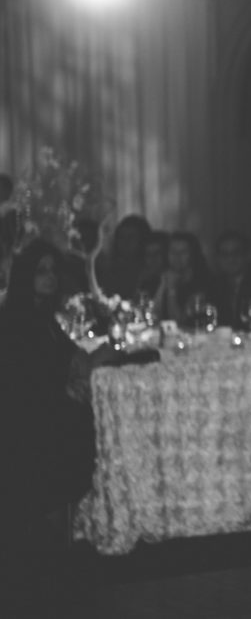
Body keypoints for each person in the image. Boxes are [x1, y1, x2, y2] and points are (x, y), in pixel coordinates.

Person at [0, 240, 117, 612]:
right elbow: (25, 382)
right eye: (41, 271)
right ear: (25, 277)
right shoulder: (14, 320)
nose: (50, 278)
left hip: (47, 420)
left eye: (53, 271)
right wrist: (74, 378)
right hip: (27, 429)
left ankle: (55, 569)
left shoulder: (44, 317)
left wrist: (93, 358)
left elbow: (69, 356)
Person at [207, 230, 251, 330]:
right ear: (217, 258)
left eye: (235, 253)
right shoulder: (214, 285)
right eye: (225, 254)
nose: (230, 259)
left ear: (247, 255)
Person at [153, 231, 210, 325]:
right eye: (173, 251)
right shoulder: (164, 276)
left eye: (183, 252)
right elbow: (154, 316)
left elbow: (179, 323)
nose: (177, 256)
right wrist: (162, 286)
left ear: (192, 254)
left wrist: (172, 290)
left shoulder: (202, 282)